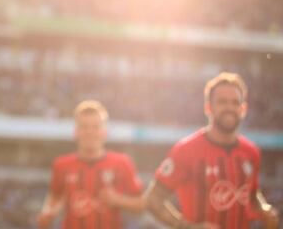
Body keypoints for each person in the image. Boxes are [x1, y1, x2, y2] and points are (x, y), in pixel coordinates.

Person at [145, 72, 280, 229]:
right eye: (222, 102)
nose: (229, 107)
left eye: (235, 102)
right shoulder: (186, 150)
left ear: (243, 109)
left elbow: (251, 194)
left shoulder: (251, 152)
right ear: (208, 107)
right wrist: (185, 226)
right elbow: (152, 199)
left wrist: (264, 209)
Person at [37, 100, 145, 229]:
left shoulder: (122, 163)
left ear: (105, 132)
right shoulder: (61, 165)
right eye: (84, 126)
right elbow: (54, 197)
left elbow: (142, 206)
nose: (90, 131)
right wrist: (47, 213)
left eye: (96, 127)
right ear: (76, 131)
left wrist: (117, 200)